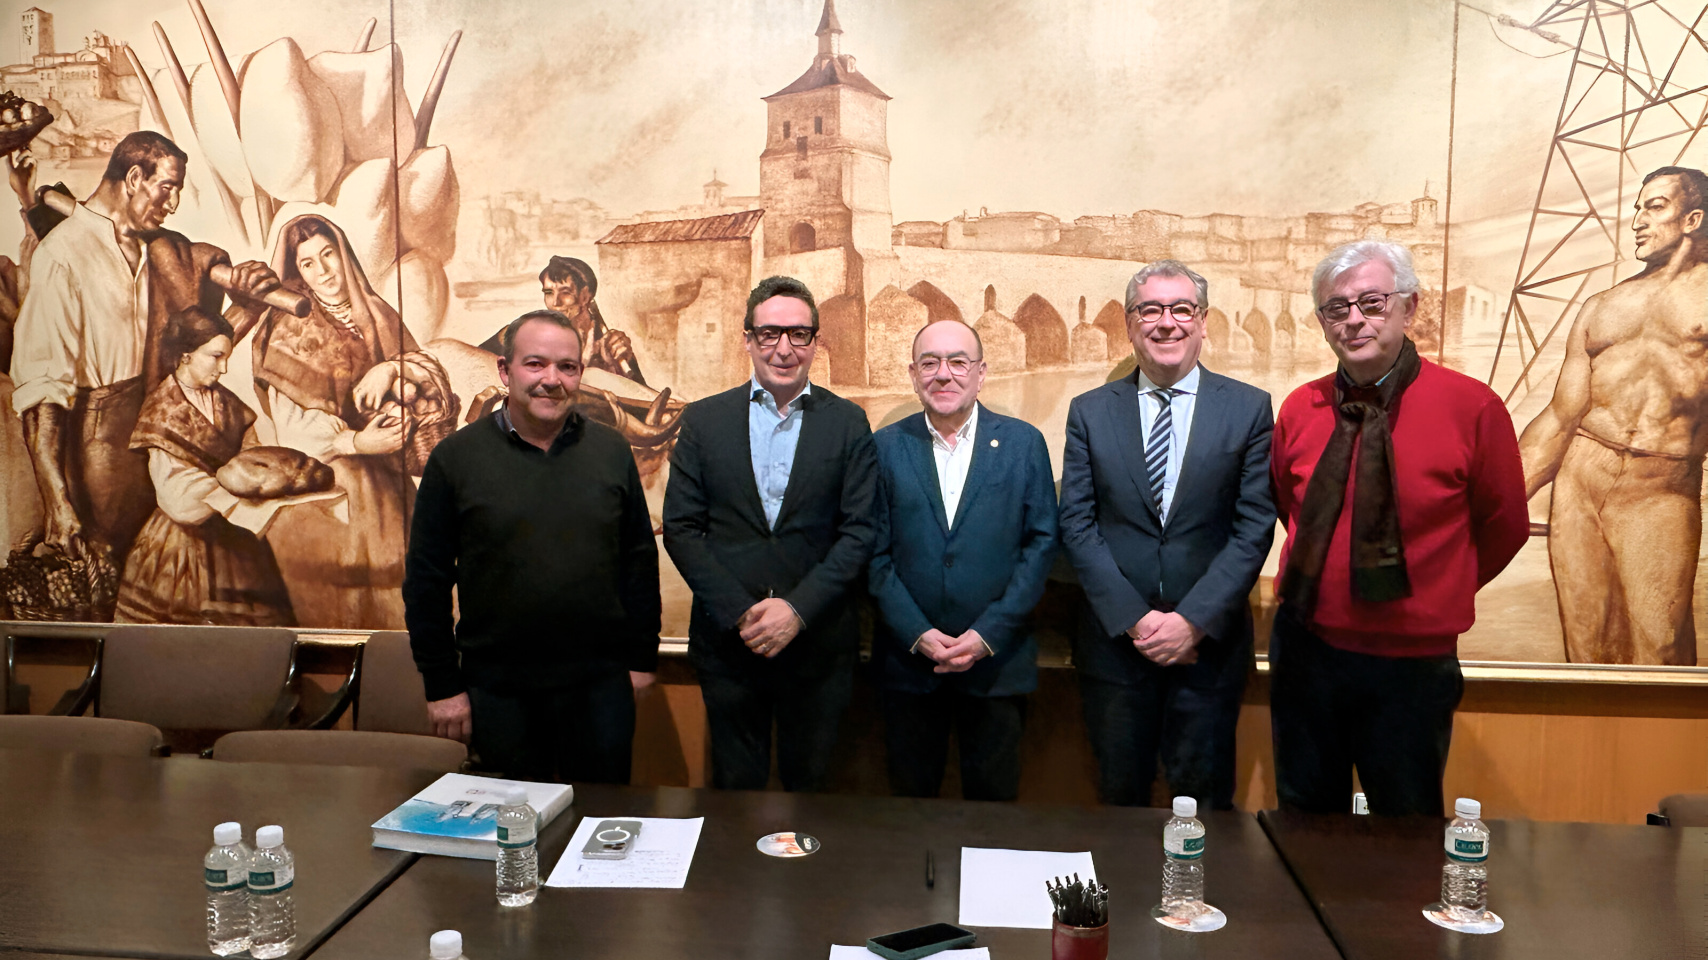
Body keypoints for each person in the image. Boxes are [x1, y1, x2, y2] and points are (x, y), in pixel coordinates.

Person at [1270, 240, 1528, 816]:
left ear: (1409, 308)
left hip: (1412, 665)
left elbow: (1504, 525)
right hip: (1306, 651)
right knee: (1305, 821)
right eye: (1337, 308)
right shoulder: (1299, 409)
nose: (1354, 319)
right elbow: (1292, 507)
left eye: (1371, 302)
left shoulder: (1471, 407)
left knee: (1405, 828)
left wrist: (1436, 587)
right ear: (1322, 322)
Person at [404, 309, 660, 783]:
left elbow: (638, 562)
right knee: (513, 842)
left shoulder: (610, 451)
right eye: (535, 364)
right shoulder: (455, 459)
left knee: (598, 835)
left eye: (567, 367)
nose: (552, 380)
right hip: (499, 695)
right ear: (505, 371)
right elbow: (426, 581)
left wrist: (643, 660)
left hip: (601, 691)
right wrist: (442, 685)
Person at [1059, 259, 1276, 810]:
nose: (1166, 323)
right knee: (1118, 799)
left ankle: (1194, 901)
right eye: (1150, 309)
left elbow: (1253, 527)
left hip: (1207, 653)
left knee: (1204, 807)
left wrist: (1191, 621)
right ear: (1130, 324)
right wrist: (1137, 619)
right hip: (1115, 649)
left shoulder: (1248, 409)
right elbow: (1077, 526)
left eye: (1182, 309)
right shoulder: (1089, 413)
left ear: (1203, 322)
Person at [9, 131, 276, 570]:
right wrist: (57, 502)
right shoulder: (63, 254)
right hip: (103, 455)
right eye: (167, 187)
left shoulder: (160, 251)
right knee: (113, 575)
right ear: (134, 177)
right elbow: (42, 394)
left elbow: (193, 350)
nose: (173, 204)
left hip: (165, 437)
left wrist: (246, 301)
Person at [663, 275, 877, 792]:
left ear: (814, 341)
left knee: (815, 797)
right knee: (735, 797)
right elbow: (681, 529)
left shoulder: (848, 423)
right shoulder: (703, 420)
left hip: (819, 650)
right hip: (730, 649)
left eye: (798, 334)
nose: (783, 348)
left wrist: (796, 611)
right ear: (748, 339)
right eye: (769, 333)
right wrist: (745, 613)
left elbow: (860, 532)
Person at [1518, 166, 1708, 665]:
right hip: (1580, 480)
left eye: (1655, 207)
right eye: (1637, 208)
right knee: (1587, 653)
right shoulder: (1602, 305)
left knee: (1661, 649)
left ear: (1692, 219)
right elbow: (1559, 419)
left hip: (1660, 487)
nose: (1637, 222)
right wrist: (1494, 505)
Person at [868, 319, 1057, 801]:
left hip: (998, 665)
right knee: (909, 811)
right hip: (910, 669)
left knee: (994, 812)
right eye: (929, 363)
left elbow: (1040, 547)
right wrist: (918, 634)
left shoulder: (1023, 443)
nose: (943, 374)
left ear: (980, 373)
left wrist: (986, 635)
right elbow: (873, 551)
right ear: (913, 374)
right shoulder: (885, 448)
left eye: (957, 362)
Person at [247, 214, 419, 629]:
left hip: (390, 466)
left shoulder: (376, 312)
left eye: (328, 255)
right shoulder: (291, 323)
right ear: (298, 272)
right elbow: (292, 430)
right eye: (308, 263)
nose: (323, 271)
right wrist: (357, 443)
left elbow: (422, 371)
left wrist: (394, 377)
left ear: (344, 255)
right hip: (331, 469)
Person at [115, 308, 293, 625]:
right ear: (186, 354)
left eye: (227, 358)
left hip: (235, 538)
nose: (223, 368)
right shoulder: (162, 408)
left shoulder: (228, 402)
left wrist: (259, 476)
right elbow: (176, 497)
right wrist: (233, 484)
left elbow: (251, 453)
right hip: (180, 543)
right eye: (216, 356)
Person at [478, 255, 644, 385]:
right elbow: (477, 361)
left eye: (565, 292)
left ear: (585, 296)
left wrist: (616, 368)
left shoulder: (610, 343)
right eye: (548, 293)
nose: (555, 303)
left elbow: (641, 400)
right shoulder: (530, 332)